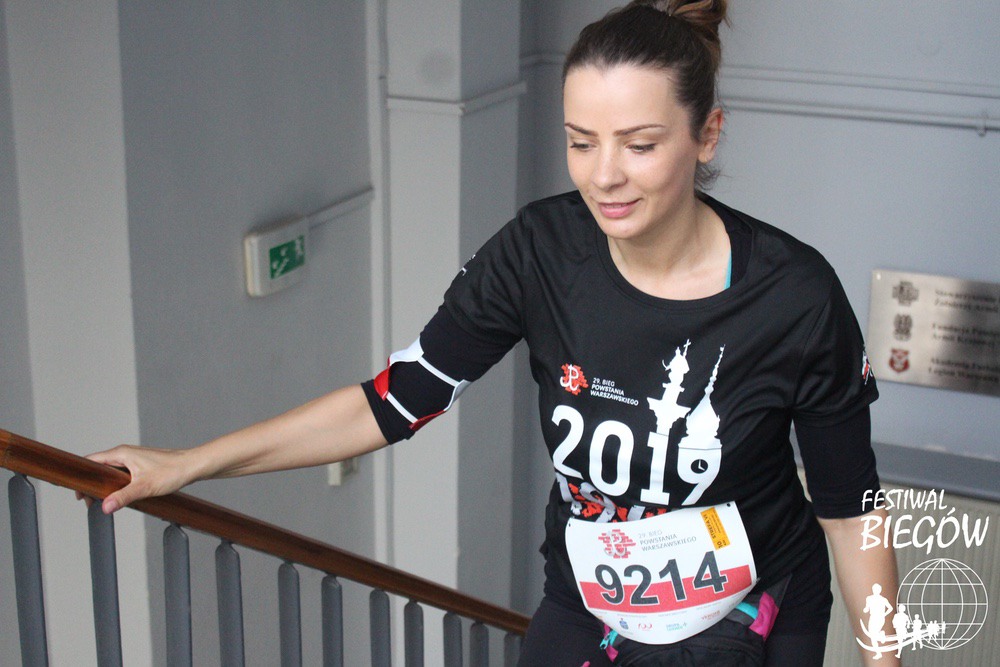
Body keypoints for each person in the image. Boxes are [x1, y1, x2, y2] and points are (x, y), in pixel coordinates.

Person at [85, 1, 899, 665]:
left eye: (640, 144)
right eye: (581, 142)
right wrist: (187, 463)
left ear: (706, 134)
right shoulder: (539, 252)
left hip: (754, 607)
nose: (604, 175)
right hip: (593, 598)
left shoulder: (794, 296)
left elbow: (851, 514)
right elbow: (391, 403)